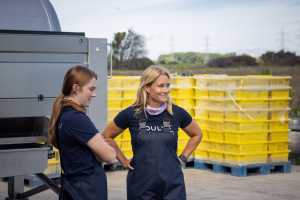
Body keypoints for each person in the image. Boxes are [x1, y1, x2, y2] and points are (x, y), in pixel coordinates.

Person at [103, 65, 202, 200]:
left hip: (172, 183)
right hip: (141, 183)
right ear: (147, 88)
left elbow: (197, 134)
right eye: (161, 86)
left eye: (167, 85)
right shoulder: (131, 114)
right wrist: (123, 161)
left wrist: (183, 158)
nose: (166, 90)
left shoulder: (177, 113)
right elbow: (107, 136)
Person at [48, 65, 116, 200]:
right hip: (86, 189)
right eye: (91, 89)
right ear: (76, 88)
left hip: (73, 185)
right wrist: (104, 149)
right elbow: (109, 156)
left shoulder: (63, 113)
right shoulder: (77, 119)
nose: (94, 94)